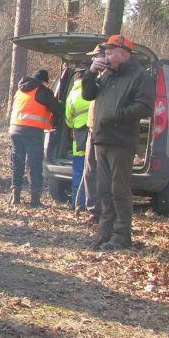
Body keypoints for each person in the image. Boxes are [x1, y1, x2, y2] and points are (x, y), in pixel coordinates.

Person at [82, 34, 155, 251]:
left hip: (121, 141)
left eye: (110, 52)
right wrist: (90, 73)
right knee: (103, 189)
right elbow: (88, 95)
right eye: (105, 52)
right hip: (101, 139)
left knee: (119, 190)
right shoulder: (107, 75)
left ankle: (121, 236)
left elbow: (145, 106)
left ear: (124, 54)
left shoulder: (139, 76)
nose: (106, 55)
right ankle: (105, 233)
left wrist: (119, 114)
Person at [8, 68, 63, 207]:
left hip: (14, 129)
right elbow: (57, 108)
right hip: (32, 132)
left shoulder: (20, 90)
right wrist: (57, 121)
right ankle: (35, 200)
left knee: (17, 163)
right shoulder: (43, 91)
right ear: (43, 81)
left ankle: (15, 196)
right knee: (35, 165)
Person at [79, 42, 106, 224]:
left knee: (104, 175)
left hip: (108, 133)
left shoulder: (115, 78)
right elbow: (87, 95)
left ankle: (104, 213)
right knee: (90, 172)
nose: (93, 59)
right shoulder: (97, 78)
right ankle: (94, 212)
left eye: (96, 56)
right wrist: (90, 73)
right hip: (92, 130)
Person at [65, 69, 91, 213]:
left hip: (78, 142)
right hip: (95, 138)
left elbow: (68, 121)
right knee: (93, 174)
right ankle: (91, 206)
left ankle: (76, 203)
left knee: (78, 174)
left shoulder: (71, 96)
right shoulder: (96, 90)